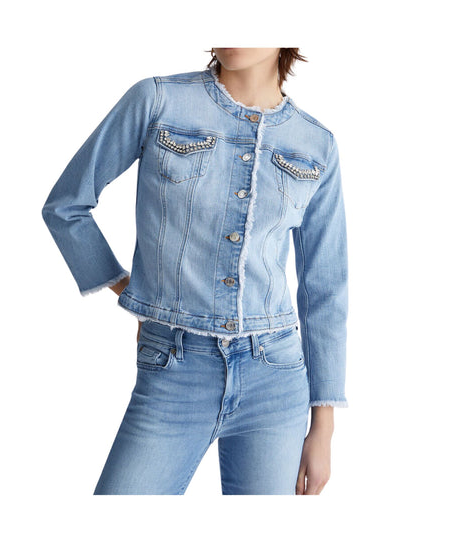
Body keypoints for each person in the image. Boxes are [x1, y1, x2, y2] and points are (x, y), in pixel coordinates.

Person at [41, 48, 349, 495]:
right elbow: (66, 207)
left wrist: (324, 425)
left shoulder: (316, 143)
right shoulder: (157, 101)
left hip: (276, 377)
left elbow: (325, 288)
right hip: (173, 369)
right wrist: (134, 291)